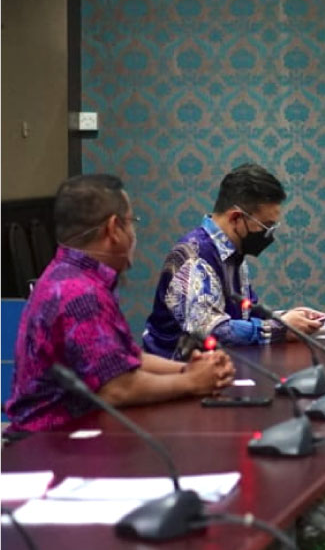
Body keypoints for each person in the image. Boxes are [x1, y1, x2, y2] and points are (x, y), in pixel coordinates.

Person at [4, 175, 235, 433]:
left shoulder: (70, 275)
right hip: (50, 443)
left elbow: (125, 357)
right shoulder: (80, 293)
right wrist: (192, 382)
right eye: (131, 222)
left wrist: (190, 369)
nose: (133, 234)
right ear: (114, 229)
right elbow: (117, 388)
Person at [142, 163, 324, 359]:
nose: (269, 234)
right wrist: (278, 329)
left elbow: (247, 314)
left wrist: (286, 319)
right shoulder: (195, 257)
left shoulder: (233, 254)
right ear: (236, 218)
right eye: (266, 226)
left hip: (217, 367)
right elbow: (212, 331)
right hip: (175, 371)